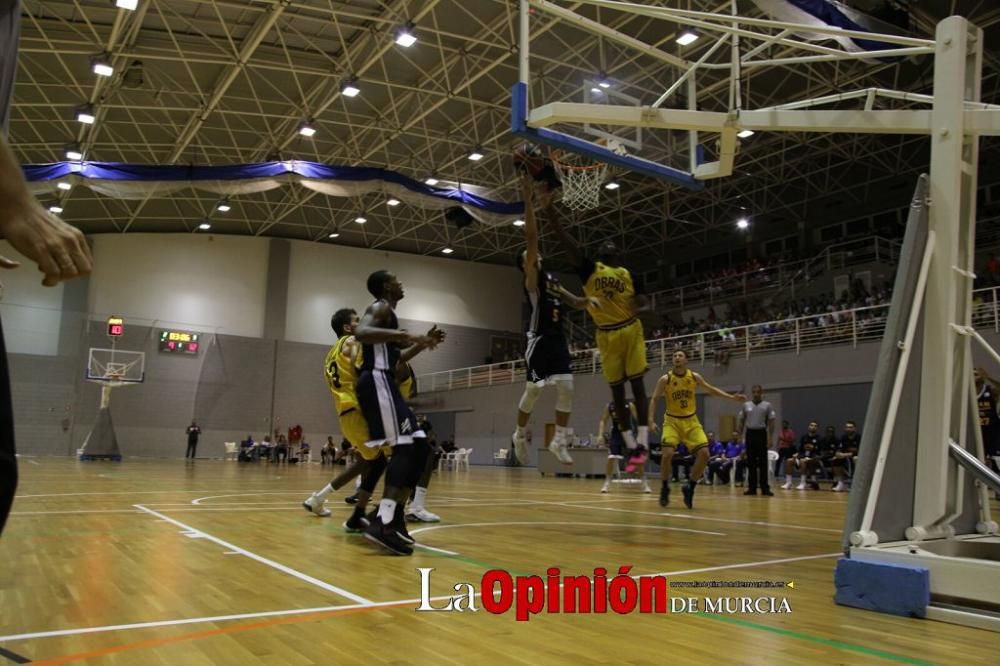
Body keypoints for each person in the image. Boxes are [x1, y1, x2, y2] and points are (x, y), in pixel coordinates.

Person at [547, 185, 652, 459]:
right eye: (603, 246)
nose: (607, 244)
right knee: (616, 390)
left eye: (612, 245)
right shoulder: (591, 269)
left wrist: (641, 306)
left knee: (638, 385)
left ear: (618, 254)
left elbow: (645, 301)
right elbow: (568, 244)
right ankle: (629, 442)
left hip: (629, 329)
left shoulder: (628, 274)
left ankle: (642, 437)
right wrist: (551, 215)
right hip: (605, 334)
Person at [355, 271, 445, 555]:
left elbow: (397, 360)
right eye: (396, 279)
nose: (401, 282)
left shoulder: (389, 317)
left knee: (421, 449)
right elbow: (361, 333)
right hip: (377, 381)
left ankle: (388, 515)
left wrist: (421, 342)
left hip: (387, 382)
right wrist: (407, 335)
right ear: (385, 287)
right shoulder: (379, 307)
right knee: (406, 448)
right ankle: (383, 521)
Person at [510, 177, 596, 466]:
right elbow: (532, 239)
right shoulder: (532, 280)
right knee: (534, 389)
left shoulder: (553, 280)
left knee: (568, 387)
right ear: (525, 264)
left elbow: (572, 300)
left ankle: (559, 440)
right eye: (530, 257)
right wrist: (528, 200)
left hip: (558, 341)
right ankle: (519, 434)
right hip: (538, 340)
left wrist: (587, 302)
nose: (534, 256)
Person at [649, 350, 746, 509]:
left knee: (705, 454)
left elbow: (711, 389)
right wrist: (651, 420)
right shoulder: (665, 379)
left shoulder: (694, 377)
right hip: (672, 421)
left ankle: (690, 487)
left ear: (686, 360)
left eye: (680, 355)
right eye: (674, 356)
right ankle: (665, 487)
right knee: (667, 455)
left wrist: (732, 397)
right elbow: (654, 399)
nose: (676, 358)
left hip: (691, 421)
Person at [597, 399, 651, 494]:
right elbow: (603, 420)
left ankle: (644, 484)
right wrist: (600, 434)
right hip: (616, 434)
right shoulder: (609, 406)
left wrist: (640, 434)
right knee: (611, 457)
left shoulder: (629, 405)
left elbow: (638, 420)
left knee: (638, 459)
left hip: (629, 434)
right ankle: (607, 483)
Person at [738, 384, 777, 497]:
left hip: (761, 433)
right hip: (750, 433)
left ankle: (765, 488)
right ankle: (752, 488)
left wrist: (770, 437)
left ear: (761, 393)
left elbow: (771, 422)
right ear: (752, 393)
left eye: (758, 392)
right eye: (754, 392)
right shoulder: (746, 405)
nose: (756, 394)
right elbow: (741, 421)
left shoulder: (767, 405)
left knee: (763, 462)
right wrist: (740, 436)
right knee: (751, 462)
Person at [783, 421, 822, 490]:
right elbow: (800, 450)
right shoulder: (804, 437)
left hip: (813, 459)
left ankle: (803, 483)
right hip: (803, 457)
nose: (813, 427)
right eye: (811, 425)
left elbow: (820, 452)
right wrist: (796, 455)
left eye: (815, 426)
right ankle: (789, 482)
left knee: (802, 461)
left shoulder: (819, 438)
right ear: (808, 427)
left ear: (817, 428)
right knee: (789, 460)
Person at [831, 421, 861, 492]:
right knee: (835, 460)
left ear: (855, 429)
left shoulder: (859, 438)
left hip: (856, 457)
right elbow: (839, 450)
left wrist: (846, 454)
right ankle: (841, 483)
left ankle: (856, 483)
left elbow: (860, 451)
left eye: (850, 427)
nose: (848, 429)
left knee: (856, 459)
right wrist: (838, 454)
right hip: (845, 458)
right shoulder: (843, 438)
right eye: (847, 427)